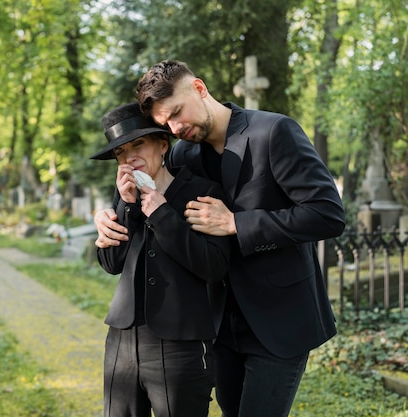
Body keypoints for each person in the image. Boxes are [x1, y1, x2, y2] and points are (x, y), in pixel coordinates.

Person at [94, 60, 345, 417]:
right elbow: (156, 185)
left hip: (278, 318)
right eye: (166, 123)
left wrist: (237, 224)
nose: (177, 127)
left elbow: (327, 214)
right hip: (217, 322)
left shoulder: (274, 132)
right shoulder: (184, 152)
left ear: (199, 88)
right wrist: (110, 212)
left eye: (178, 112)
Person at [90, 102, 230, 417]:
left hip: (182, 345)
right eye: (121, 152)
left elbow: (214, 267)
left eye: (138, 144)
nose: (129, 157)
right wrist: (125, 206)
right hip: (121, 344)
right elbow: (111, 263)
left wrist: (161, 213)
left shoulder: (203, 192)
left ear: (162, 144)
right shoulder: (124, 197)